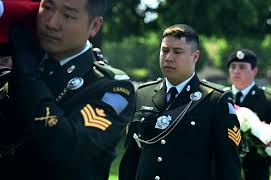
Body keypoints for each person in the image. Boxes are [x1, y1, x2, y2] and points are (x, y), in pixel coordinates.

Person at [1, 0, 135, 179]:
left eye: (68, 15)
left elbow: (70, 147)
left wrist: (28, 78)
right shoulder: (19, 64)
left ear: (94, 26)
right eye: (47, 8)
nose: (51, 23)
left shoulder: (113, 88)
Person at [119, 24, 241, 180]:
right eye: (165, 50)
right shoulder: (143, 93)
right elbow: (131, 158)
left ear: (195, 56)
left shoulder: (215, 100)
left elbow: (228, 166)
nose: (168, 57)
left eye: (177, 52)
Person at [227, 48, 271, 180]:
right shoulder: (220, 98)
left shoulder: (269, 100)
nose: (236, 71)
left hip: (257, 168)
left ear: (254, 71)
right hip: (226, 166)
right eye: (233, 67)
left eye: (242, 67)